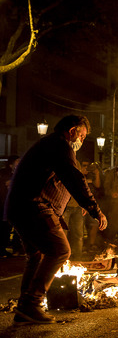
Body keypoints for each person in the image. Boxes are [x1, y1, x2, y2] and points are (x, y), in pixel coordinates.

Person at [5, 115, 107, 324]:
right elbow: (74, 178)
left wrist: (74, 204)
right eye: (82, 135)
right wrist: (95, 209)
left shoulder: (50, 146)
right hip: (33, 207)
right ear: (71, 131)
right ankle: (31, 304)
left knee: (38, 256)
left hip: (21, 208)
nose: (82, 141)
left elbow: (58, 182)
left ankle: (26, 308)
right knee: (60, 250)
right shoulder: (59, 146)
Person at [0, 155, 20, 256]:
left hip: (16, 205)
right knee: (5, 228)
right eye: (17, 162)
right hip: (5, 205)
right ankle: (3, 248)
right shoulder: (4, 175)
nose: (19, 163)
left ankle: (17, 249)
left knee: (17, 229)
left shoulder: (20, 174)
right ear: (10, 164)